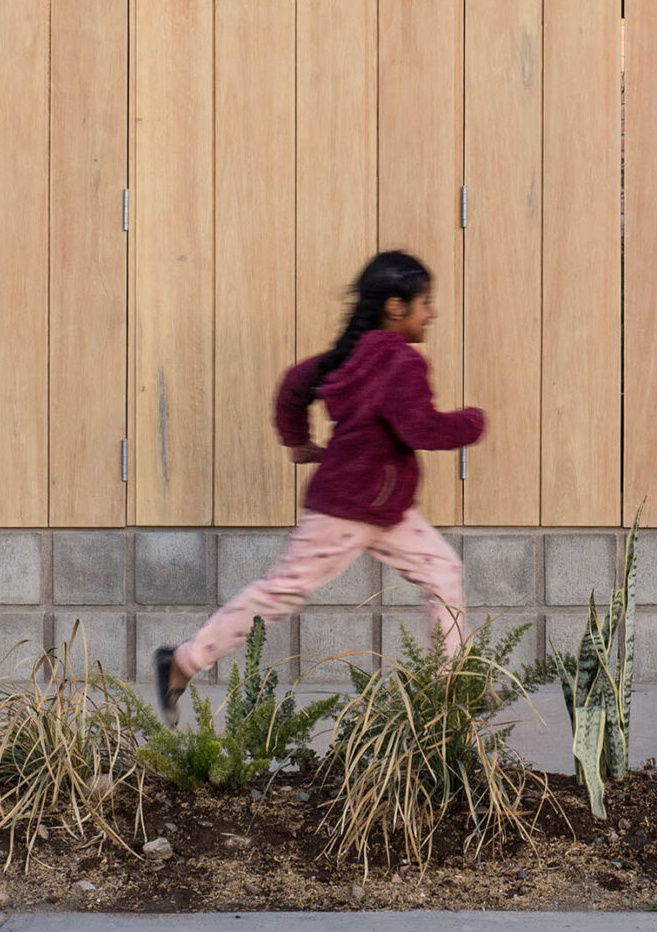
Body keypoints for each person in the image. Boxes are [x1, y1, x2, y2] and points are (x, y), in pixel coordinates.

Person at [152, 249, 484, 720]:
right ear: (395, 307)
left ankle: (450, 690)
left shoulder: (346, 356)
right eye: (425, 302)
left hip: (382, 509)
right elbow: (420, 429)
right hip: (346, 508)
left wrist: (297, 442)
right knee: (282, 591)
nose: (432, 313)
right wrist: (473, 421)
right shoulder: (399, 360)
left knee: (444, 571)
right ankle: (182, 662)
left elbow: (294, 385)